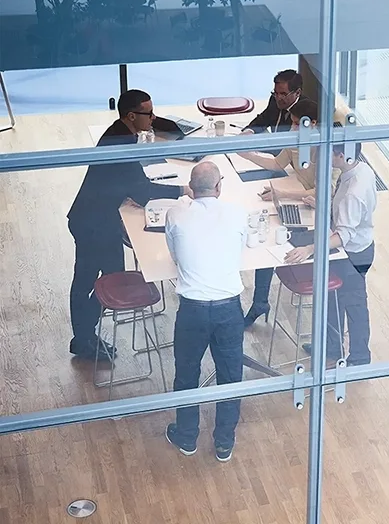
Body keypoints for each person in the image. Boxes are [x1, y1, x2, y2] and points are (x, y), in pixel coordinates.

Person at [67, 89, 191, 361]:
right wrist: (183, 188)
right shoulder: (120, 143)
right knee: (105, 281)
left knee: (101, 277)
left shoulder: (119, 133)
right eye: (148, 113)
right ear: (131, 115)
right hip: (94, 224)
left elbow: (129, 182)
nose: (153, 117)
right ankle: (84, 338)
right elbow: (143, 191)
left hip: (96, 217)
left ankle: (84, 335)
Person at [163, 161, 247, 462]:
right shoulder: (237, 213)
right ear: (219, 187)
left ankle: (186, 438)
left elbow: (175, 256)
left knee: (186, 375)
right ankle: (224, 442)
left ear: (191, 187)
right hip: (228, 309)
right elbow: (241, 247)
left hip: (192, 311)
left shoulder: (175, 214)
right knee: (230, 376)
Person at [235, 99, 341, 327]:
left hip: (318, 213)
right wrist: (248, 155)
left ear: (312, 123)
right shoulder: (297, 141)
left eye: (295, 123)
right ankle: (260, 301)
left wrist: (282, 193)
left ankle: (260, 302)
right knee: (268, 238)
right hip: (301, 201)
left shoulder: (327, 150)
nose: (291, 128)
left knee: (272, 241)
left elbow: (325, 191)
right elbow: (277, 163)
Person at [284, 143, 377, 366]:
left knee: (353, 305)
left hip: (353, 253)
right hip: (358, 245)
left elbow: (343, 235)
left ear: (342, 155)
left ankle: (360, 358)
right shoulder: (362, 170)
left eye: (330, 153)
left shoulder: (353, 192)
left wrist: (309, 249)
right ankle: (331, 346)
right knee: (333, 298)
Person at [240, 69, 308, 135]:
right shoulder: (274, 99)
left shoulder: (307, 110)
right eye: (276, 93)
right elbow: (264, 118)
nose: (278, 98)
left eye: (283, 94)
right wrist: (249, 131)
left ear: (297, 93)